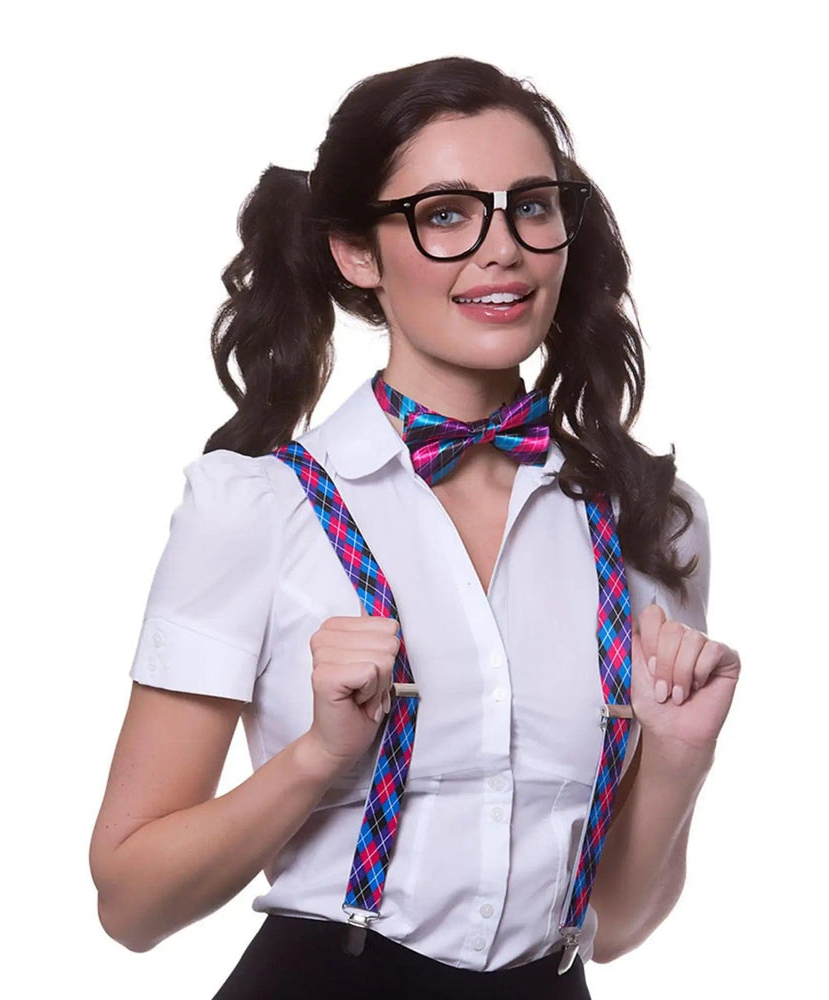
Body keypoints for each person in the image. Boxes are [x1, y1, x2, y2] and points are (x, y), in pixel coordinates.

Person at [89, 55, 741, 1000]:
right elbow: (131, 905)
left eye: (532, 205)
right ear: (358, 254)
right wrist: (317, 757)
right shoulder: (256, 509)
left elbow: (615, 928)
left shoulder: (650, 524)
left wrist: (680, 755)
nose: (502, 248)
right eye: (444, 214)